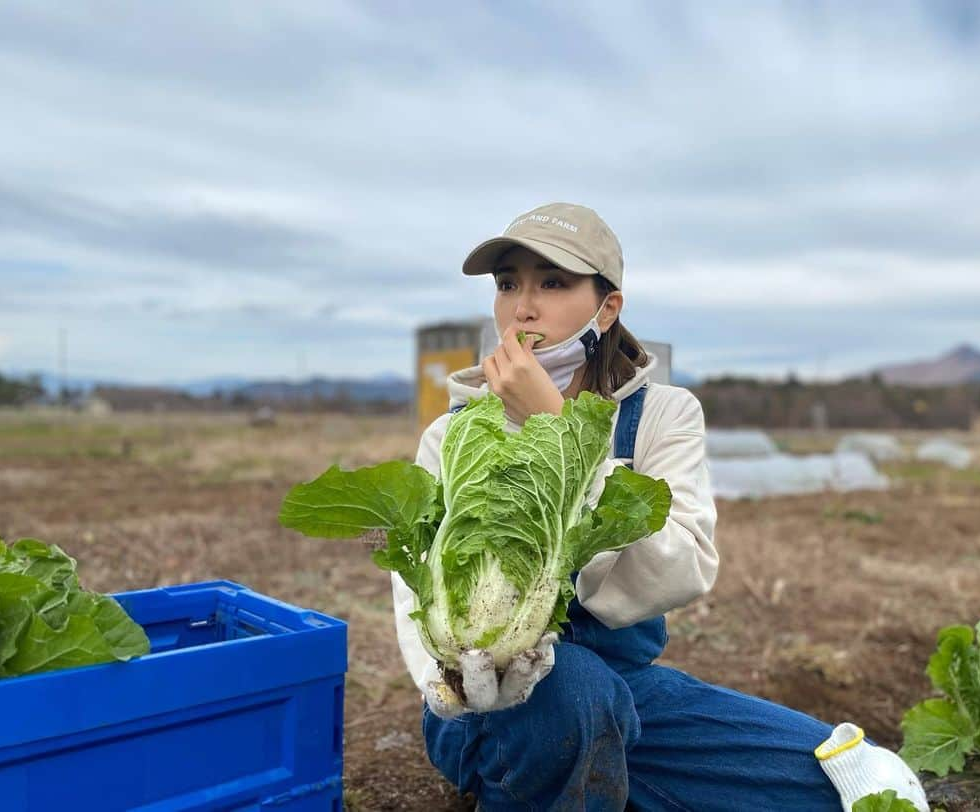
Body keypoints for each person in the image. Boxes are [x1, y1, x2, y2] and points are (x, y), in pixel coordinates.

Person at [391, 203, 928, 811]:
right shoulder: (454, 433)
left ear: (608, 306)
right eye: (509, 283)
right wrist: (445, 686)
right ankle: (530, 771)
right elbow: (418, 579)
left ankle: (589, 773)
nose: (523, 307)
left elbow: (685, 568)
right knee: (570, 694)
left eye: (554, 283)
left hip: (626, 689)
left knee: (839, 785)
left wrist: (559, 430)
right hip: (487, 705)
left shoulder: (664, 415)